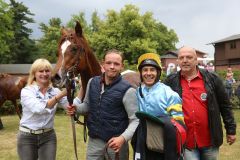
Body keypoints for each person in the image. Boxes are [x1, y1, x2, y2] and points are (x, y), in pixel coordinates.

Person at [165, 46, 236, 160]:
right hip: (186, 141)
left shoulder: (212, 78)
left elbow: (225, 106)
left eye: (189, 57)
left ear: (196, 60)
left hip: (210, 140)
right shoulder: (170, 81)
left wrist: (231, 130)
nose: (185, 60)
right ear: (177, 61)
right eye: (181, 57)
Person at [67, 49, 139, 160]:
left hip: (116, 144)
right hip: (94, 141)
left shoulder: (128, 90)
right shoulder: (92, 82)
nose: (112, 66)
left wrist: (122, 138)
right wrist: (76, 108)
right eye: (109, 63)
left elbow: (135, 120)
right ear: (103, 64)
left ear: (122, 66)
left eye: (116, 64)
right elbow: (87, 106)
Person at [132, 53, 186, 160]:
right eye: (145, 70)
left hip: (162, 144)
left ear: (158, 72)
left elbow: (179, 124)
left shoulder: (169, 94)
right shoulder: (137, 92)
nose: (148, 73)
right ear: (141, 73)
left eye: (152, 70)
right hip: (142, 142)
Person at [17, 58, 68, 160]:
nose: (44, 74)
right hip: (27, 137)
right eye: (41, 71)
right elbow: (39, 108)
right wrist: (61, 94)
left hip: (48, 136)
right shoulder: (27, 91)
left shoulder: (55, 91)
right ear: (34, 74)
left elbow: (71, 106)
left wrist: (85, 85)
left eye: (47, 71)